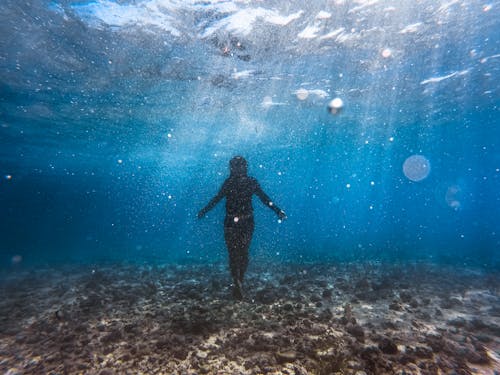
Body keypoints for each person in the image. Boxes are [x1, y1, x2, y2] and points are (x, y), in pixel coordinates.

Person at [198, 156, 286, 300]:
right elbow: (217, 198)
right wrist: (204, 210)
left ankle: (239, 281)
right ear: (232, 168)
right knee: (235, 252)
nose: (238, 169)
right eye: (235, 166)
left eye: (240, 166)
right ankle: (237, 282)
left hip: (244, 221)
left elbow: (264, 198)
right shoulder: (230, 183)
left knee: (241, 252)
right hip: (235, 222)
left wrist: (277, 210)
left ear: (244, 167)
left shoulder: (249, 182)